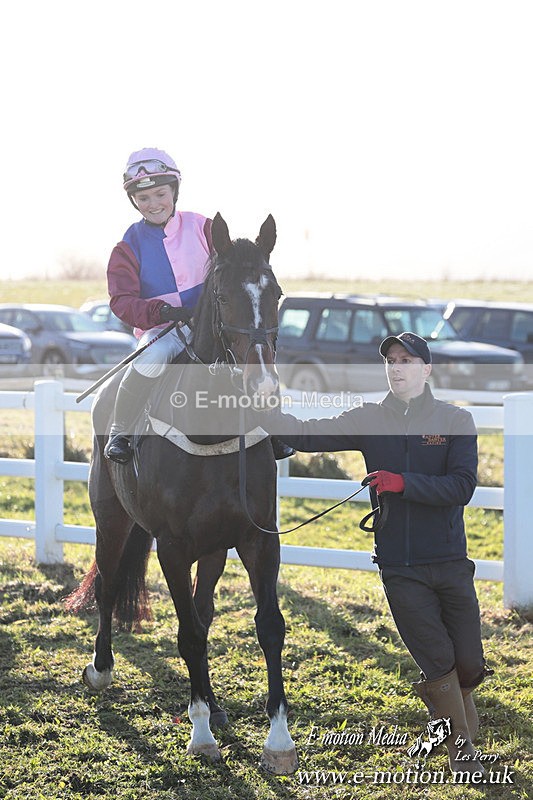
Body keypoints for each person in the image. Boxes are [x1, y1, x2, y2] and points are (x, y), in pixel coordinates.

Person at [255, 331, 490, 775]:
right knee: (437, 658)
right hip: (400, 567)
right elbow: (304, 434)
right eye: (391, 361)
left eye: (407, 360)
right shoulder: (368, 417)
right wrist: (262, 409)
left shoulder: (456, 421)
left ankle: (457, 714)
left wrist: (401, 482)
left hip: (451, 561)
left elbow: (462, 487)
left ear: (426, 369)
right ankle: (463, 753)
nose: (397, 368)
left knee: (469, 662)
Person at [103, 147, 294, 464]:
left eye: (159, 194)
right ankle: (120, 432)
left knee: (254, 354)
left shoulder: (202, 227)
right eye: (144, 199)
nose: (153, 204)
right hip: (163, 331)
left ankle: (273, 430)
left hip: (212, 325)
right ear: (134, 201)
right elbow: (121, 302)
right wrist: (159, 313)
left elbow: (232, 269)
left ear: (174, 191)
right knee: (148, 360)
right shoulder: (127, 246)